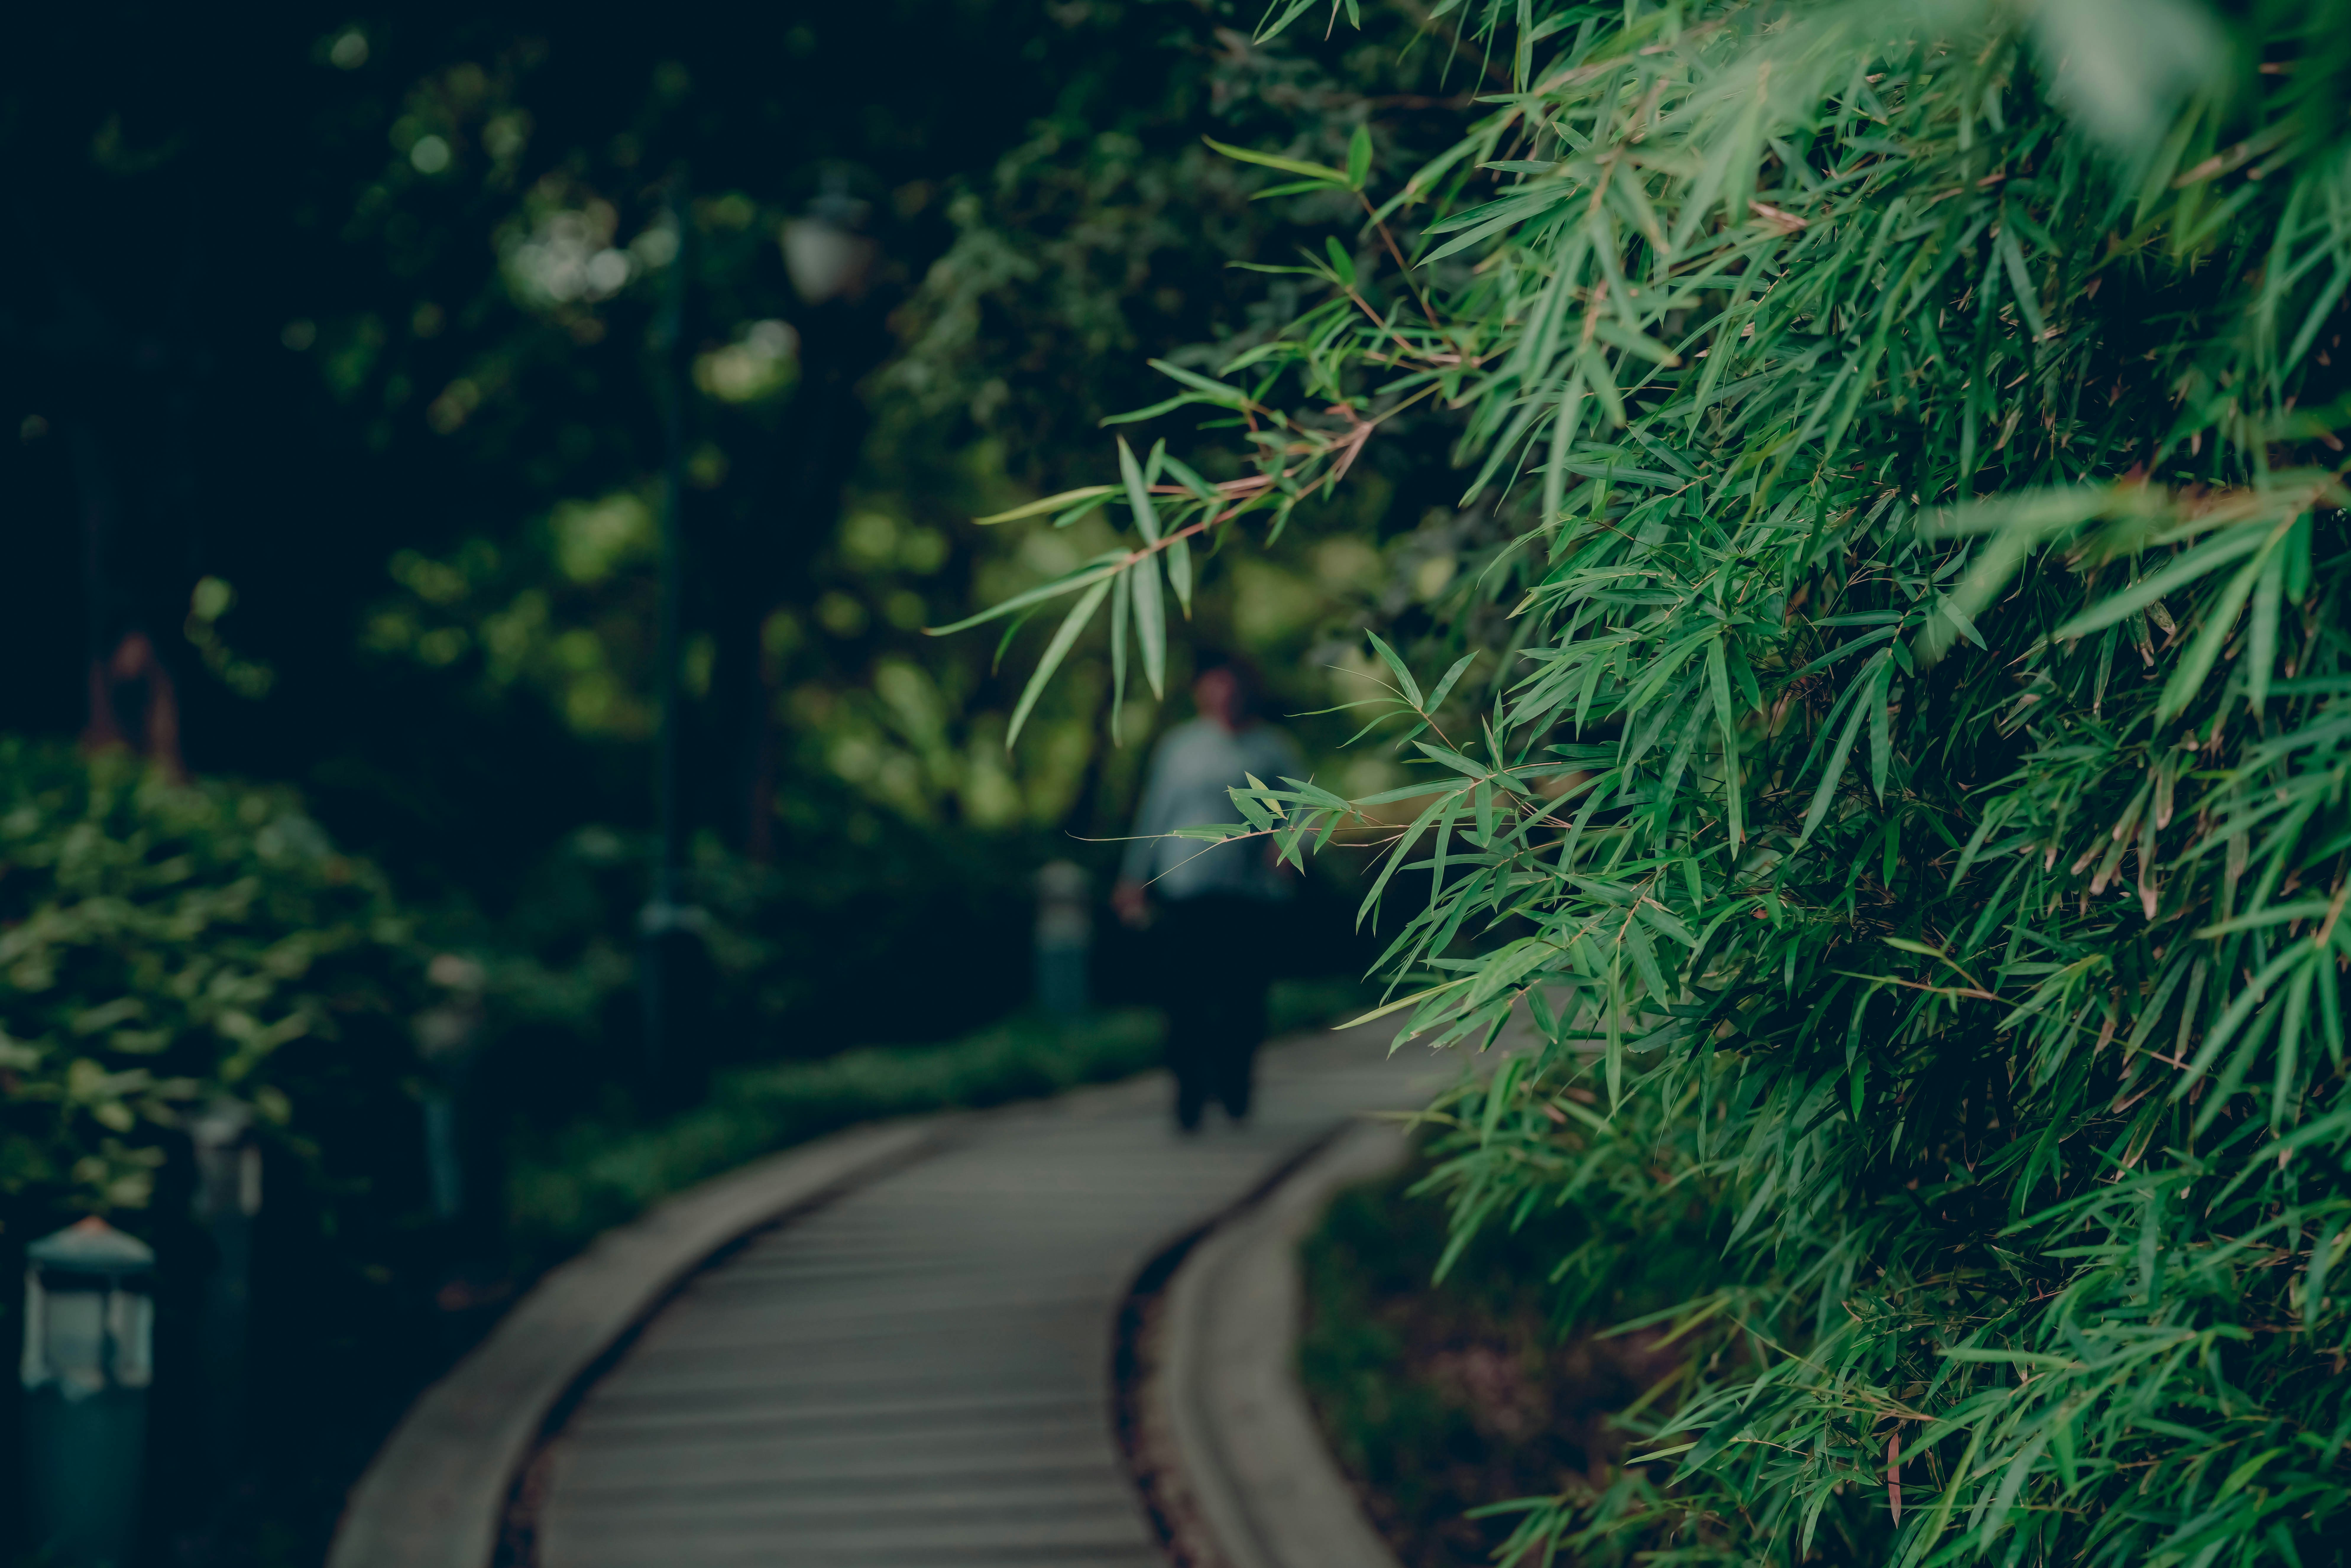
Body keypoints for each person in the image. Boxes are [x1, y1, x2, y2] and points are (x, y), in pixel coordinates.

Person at [1114, 653, 1303, 1131]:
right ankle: (1188, 1096)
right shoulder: (1179, 747)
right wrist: (1135, 877)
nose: (1224, 698)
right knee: (1184, 995)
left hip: (1249, 895)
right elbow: (1155, 813)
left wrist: (1289, 845)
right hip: (1185, 890)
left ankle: (1236, 1086)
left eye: (1232, 689)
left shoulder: (1271, 748)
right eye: (1214, 688)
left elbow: (1307, 808)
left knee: (1244, 996)